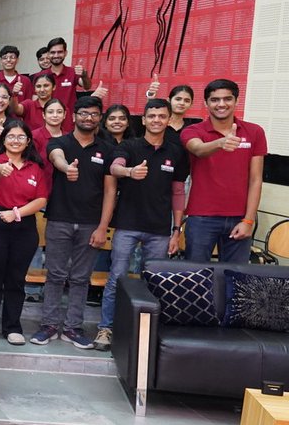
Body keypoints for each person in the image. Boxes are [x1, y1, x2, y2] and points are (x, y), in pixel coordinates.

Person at [95, 98, 189, 350]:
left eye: (162, 116)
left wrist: (176, 230)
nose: (157, 120)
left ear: (168, 120)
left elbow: (178, 192)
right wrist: (129, 172)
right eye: (152, 116)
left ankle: (147, 332)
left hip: (160, 230)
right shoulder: (130, 146)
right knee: (117, 278)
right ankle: (106, 328)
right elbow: (115, 167)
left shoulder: (176, 152)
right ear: (144, 120)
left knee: (155, 282)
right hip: (127, 225)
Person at [32, 97, 113, 348]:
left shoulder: (107, 148)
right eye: (84, 113)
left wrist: (103, 227)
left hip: (91, 223)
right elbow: (56, 157)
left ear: (100, 118)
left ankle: (73, 328)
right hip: (59, 218)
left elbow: (110, 190)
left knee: (81, 278)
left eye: (94, 114)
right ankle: (49, 325)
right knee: (55, 275)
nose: (89, 118)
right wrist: (67, 167)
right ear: (74, 116)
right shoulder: (60, 142)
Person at [0, 119, 49, 346]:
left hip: (23, 225)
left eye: (20, 137)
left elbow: (41, 199)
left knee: (16, 279)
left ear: (28, 141)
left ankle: (12, 327)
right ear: (3, 139)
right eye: (10, 136)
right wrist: (3, 169)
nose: (15, 141)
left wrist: (16, 213)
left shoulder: (35, 168)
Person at [182, 79, 266, 264]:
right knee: (195, 274)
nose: (221, 104)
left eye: (227, 99)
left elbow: (256, 180)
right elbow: (198, 149)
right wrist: (220, 143)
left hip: (239, 218)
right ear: (206, 103)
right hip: (202, 218)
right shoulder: (192, 130)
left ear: (236, 101)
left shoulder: (255, 132)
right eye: (215, 100)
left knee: (235, 277)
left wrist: (248, 220)